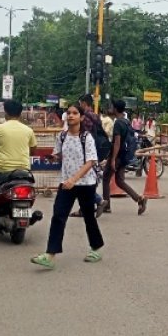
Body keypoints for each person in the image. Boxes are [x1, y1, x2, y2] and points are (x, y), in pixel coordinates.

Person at [31, 103, 105, 269]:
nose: (71, 116)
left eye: (75, 113)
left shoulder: (86, 137)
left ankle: (96, 247)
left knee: (88, 216)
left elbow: (90, 162)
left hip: (85, 183)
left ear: (82, 117)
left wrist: (74, 179)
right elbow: (60, 155)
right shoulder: (62, 136)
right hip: (66, 183)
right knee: (58, 215)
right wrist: (54, 158)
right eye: (68, 113)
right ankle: (50, 255)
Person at [100, 99, 148, 215]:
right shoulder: (126, 121)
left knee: (106, 178)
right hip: (125, 155)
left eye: (112, 107)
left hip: (117, 155)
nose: (110, 109)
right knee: (120, 181)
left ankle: (106, 205)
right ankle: (139, 199)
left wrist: (112, 160)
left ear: (115, 109)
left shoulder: (118, 123)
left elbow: (117, 142)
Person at [69, 94, 107, 218]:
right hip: (95, 151)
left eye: (80, 103)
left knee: (80, 180)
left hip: (84, 151)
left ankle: (98, 201)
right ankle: (84, 208)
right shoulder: (96, 116)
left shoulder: (84, 117)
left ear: (84, 103)